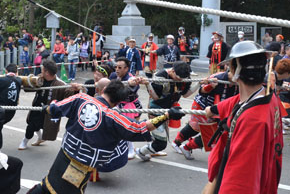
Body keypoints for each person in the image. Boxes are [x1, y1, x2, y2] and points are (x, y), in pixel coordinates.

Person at [26, 81, 185, 194]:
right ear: (118, 102)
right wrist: (166, 115)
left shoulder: (81, 99)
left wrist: (47, 108)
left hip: (64, 156)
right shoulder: (113, 116)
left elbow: (55, 108)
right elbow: (140, 127)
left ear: (103, 90)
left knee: (47, 186)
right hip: (81, 166)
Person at [202, 41, 283, 194]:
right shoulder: (268, 96)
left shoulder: (252, 121)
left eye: (230, 66)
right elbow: (240, 100)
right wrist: (213, 109)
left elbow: (241, 182)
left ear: (236, 69)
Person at [171, 69, 238, 160]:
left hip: (220, 110)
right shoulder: (217, 77)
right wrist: (210, 86)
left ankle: (185, 146)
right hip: (203, 106)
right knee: (198, 128)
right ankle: (181, 144)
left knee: (214, 133)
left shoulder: (240, 81)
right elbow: (201, 91)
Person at [137, 61, 196, 160]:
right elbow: (155, 97)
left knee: (161, 138)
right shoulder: (160, 76)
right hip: (156, 108)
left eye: (182, 78)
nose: (180, 80)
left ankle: (148, 149)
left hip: (169, 109)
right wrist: (148, 84)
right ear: (172, 71)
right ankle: (141, 152)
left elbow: (185, 94)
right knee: (161, 143)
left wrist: (199, 83)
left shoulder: (185, 77)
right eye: (178, 78)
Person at [19, 60, 76, 150]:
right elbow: (29, 86)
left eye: (42, 70)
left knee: (42, 125)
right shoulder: (40, 78)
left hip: (48, 110)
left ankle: (36, 138)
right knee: (31, 124)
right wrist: (28, 81)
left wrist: (75, 89)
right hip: (37, 106)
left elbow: (69, 96)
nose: (41, 72)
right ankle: (25, 140)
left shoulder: (60, 84)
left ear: (47, 73)